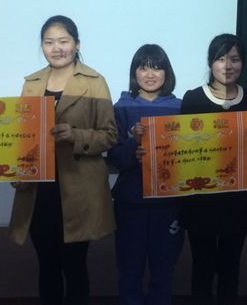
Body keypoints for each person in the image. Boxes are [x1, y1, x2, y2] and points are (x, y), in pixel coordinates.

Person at [8, 15, 117, 305]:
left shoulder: (95, 82)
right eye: (49, 42)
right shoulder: (32, 83)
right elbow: (22, 134)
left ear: (77, 44)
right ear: (42, 46)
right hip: (39, 190)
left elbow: (109, 135)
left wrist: (76, 135)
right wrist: (15, 169)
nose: (56, 48)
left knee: (75, 265)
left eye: (63, 41)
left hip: (78, 190)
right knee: (47, 265)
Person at [179, 33, 247, 305]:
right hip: (201, 197)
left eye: (235, 59)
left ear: (243, 63)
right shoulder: (193, 98)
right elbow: (184, 151)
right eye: (221, 59)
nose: (228, 66)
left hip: (238, 197)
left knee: (230, 267)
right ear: (210, 62)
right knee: (202, 266)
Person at [107, 44, 184, 305]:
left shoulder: (180, 108)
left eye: (157, 68)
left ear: (167, 73)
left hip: (169, 205)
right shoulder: (120, 108)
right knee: (129, 272)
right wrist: (133, 148)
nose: (150, 74)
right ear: (134, 72)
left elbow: (191, 157)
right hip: (131, 204)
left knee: (163, 273)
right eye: (143, 68)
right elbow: (113, 157)